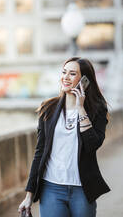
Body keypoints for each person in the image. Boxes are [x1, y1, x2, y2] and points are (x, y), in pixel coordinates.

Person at [18, 57, 111, 217]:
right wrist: (29, 195)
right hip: (51, 189)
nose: (65, 77)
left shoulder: (97, 111)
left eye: (72, 74)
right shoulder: (48, 109)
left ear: (84, 80)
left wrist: (80, 108)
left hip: (82, 189)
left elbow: (93, 145)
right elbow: (39, 153)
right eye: (64, 72)